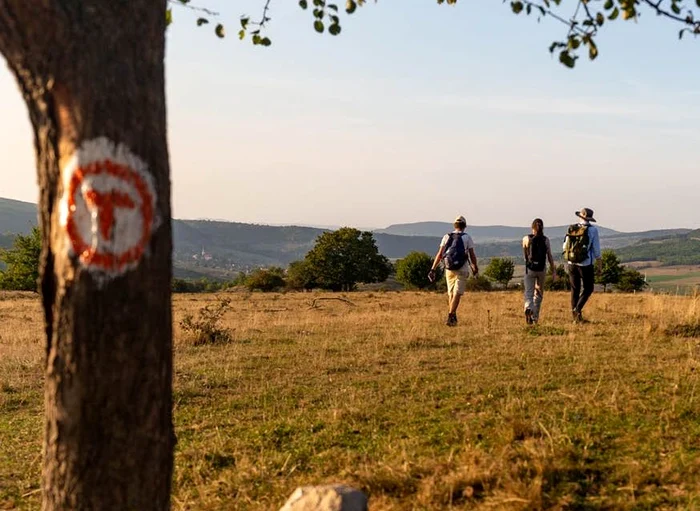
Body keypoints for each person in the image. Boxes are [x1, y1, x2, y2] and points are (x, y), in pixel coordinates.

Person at [428, 215, 478, 327]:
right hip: (461, 267)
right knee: (457, 293)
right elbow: (472, 255)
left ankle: (453, 317)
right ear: (464, 226)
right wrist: (475, 267)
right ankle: (451, 315)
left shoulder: (446, 236)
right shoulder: (467, 237)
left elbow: (440, 254)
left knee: (451, 293)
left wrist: (433, 268)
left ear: (454, 225)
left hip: (448, 268)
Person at [564, 207, 602, 323]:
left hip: (571, 262)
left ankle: (576, 317)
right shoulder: (593, 230)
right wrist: (599, 265)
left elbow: (565, 246)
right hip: (585, 264)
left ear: (580, 216)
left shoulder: (572, 228)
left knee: (575, 289)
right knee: (588, 288)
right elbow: (596, 250)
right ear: (590, 218)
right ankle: (578, 309)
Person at [522, 218, 557, 325]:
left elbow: (525, 254)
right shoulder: (546, 240)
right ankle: (535, 317)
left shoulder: (526, 238)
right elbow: (549, 256)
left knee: (529, 293)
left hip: (530, 269)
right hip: (541, 269)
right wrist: (553, 271)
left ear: (532, 227)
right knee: (539, 294)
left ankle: (528, 307)